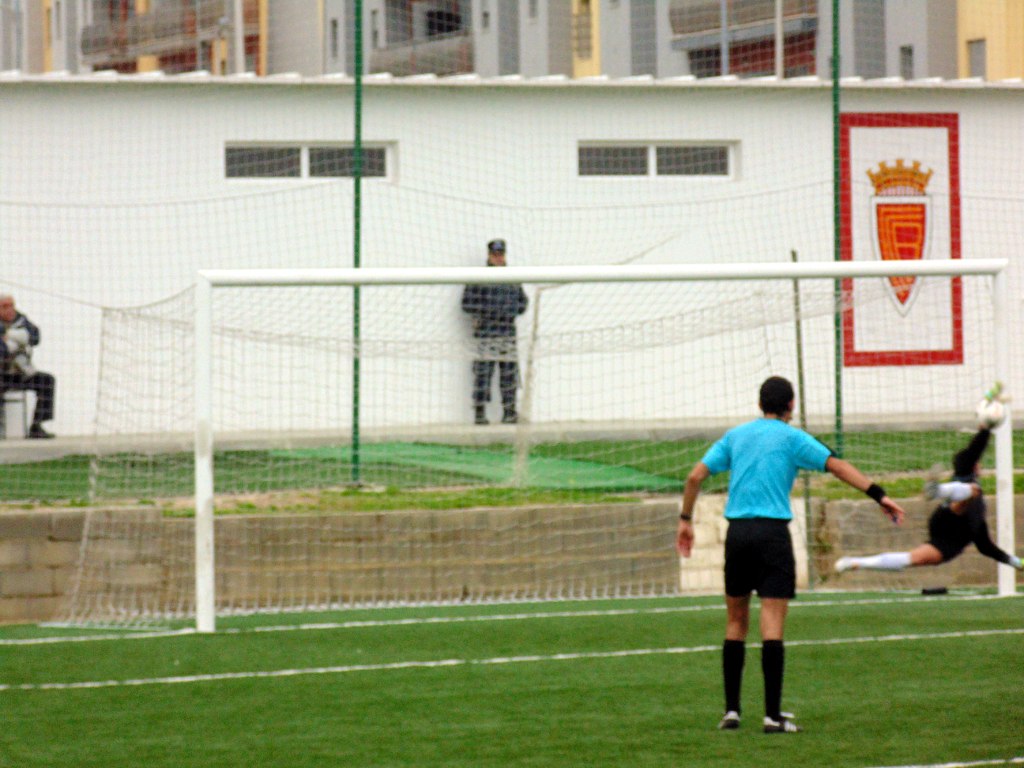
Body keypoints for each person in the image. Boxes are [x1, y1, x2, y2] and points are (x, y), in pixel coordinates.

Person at [676, 376, 904, 734]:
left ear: (759, 404)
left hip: (738, 535)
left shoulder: (736, 436)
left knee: (735, 621)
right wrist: (880, 495)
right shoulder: (793, 438)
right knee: (772, 622)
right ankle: (772, 716)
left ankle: (732, 711)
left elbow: (694, 477)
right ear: (791, 406)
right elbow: (838, 466)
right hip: (772, 536)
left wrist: (685, 520)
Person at [835, 418, 1023, 575]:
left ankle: (856, 563)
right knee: (972, 491)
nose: (978, 463)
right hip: (948, 517)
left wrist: (1017, 563)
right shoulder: (965, 473)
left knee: (913, 559)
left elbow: (985, 547)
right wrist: (986, 430)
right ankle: (937, 490)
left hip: (949, 541)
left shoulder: (978, 516)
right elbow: (972, 453)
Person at [461, 239, 528, 425]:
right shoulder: (479, 278)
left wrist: (508, 312)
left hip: (507, 331)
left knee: (509, 373)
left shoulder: (512, 279)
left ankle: (509, 412)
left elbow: (522, 303)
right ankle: (480, 412)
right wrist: (486, 313)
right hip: (486, 331)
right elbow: (467, 304)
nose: (498, 258)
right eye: (495, 255)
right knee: (483, 372)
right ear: (489, 255)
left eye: (501, 254)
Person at [0, 294, 56, 438]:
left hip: (20, 373)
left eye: (11, 305)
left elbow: (35, 337)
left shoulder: (22, 320)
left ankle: (37, 426)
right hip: (2, 375)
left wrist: (10, 335)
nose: (9, 310)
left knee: (47, 381)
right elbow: (3, 351)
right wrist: (19, 340)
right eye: (4, 307)